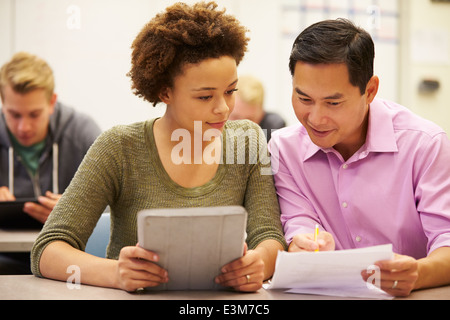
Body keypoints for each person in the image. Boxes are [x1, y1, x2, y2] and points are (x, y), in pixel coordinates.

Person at [31, 1, 287, 293]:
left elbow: (269, 236)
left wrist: (259, 264)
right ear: (165, 92)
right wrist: (116, 273)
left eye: (230, 91)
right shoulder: (119, 147)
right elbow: (48, 250)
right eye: (205, 97)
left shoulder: (248, 140)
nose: (223, 109)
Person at [268, 18, 450, 297]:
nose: (315, 118)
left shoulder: (425, 145)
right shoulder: (284, 148)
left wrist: (418, 273)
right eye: (304, 99)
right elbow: (298, 221)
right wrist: (301, 243)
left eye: (333, 102)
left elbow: (446, 241)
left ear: (370, 90)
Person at [0, 52, 101, 275]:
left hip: (70, 258)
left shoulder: (83, 133)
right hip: (5, 258)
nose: (23, 127)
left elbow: (117, 208)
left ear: (52, 102)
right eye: (14, 115)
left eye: (34, 114)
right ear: (2, 103)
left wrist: (75, 213)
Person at [229, 75, 285, 141]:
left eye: (250, 120)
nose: (242, 128)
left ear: (262, 113)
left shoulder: (274, 128)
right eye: (235, 117)